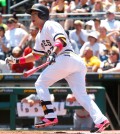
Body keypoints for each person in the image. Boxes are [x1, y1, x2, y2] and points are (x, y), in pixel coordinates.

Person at [6, 3, 110, 133]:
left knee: (40, 83)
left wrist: (54, 53)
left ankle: (49, 115)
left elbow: (61, 40)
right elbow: (35, 55)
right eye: (31, 14)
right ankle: (100, 119)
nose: (32, 16)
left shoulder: (50, 24)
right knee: (81, 96)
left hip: (65, 57)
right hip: (72, 63)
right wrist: (17, 60)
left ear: (42, 14)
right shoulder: (39, 35)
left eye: (34, 13)